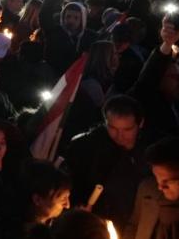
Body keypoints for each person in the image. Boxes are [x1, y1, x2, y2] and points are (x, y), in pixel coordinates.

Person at [64, 95, 151, 232]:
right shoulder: (86, 148)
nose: (119, 136)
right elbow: (74, 183)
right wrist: (79, 204)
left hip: (138, 224)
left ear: (140, 124)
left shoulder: (151, 151)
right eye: (112, 128)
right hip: (99, 223)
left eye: (127, 129)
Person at [123, 137, 179, 239]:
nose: (160, 187)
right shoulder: (147, 190)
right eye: (157, 178)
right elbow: (133, 225)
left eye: (169, 181)